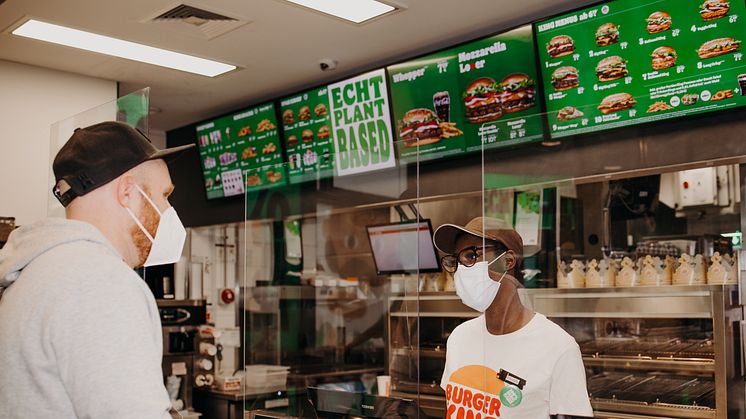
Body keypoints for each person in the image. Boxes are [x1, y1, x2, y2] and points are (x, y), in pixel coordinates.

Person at [0, 121, 193, 418]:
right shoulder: (100, 284)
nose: (168, 211)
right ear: (127, 192)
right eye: (164, 196)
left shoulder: (34, 272)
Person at [433, 217, 593, 419]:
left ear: (507, 261)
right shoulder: (459, 337)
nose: (462, 270)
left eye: (471, 256)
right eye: (456, 261)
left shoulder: (559, 348)